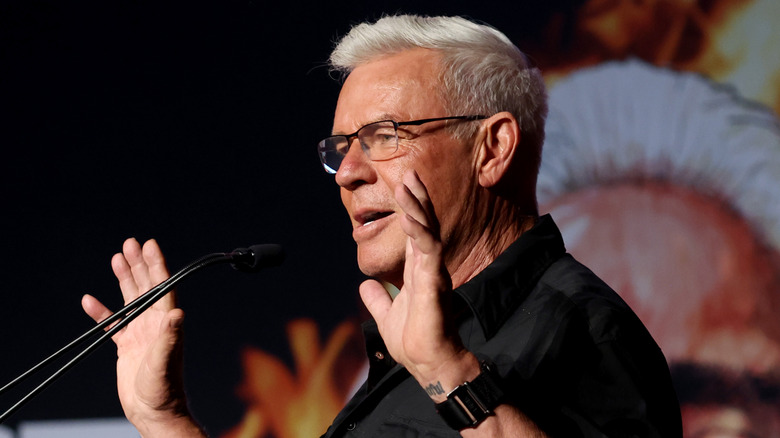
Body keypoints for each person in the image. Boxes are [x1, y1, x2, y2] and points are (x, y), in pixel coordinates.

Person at [81, 14, 683, 437]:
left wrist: (448, 373)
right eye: (342, 146)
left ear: (492, 148)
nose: (347, 173)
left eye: (383, 137)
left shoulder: (584, 330)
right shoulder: (409, 335)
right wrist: (165, 421)